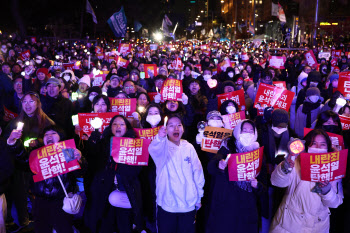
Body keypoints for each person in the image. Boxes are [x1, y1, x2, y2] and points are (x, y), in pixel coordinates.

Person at [8, 125, 83, 233]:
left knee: (64, 228)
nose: (49, 136)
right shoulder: (38, 153)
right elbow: (24, 159)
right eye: (46, 134)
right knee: (41, 229)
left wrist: (79, 159)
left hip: (61, 200)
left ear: (60, 136)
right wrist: (13, 142)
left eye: (53, 133)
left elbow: (79, 172)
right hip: (40, 201)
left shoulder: (67, 151)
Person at [270, 129, 343, 233]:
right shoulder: (296, 161)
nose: (318, 147)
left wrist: (327, 190)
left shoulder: (333, 168)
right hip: (289, 224)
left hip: (318, 226)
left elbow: (335, 203)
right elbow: (277, 182)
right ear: (307, 145)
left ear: (328, 148)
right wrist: (285, 168)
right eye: (314, 143)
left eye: (322, 144)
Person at [84, 115, 146, 233]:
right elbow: (93, 160)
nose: (118, 126)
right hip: (104, 189)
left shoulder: (135, 144)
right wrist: (94, 139)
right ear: (110, 128)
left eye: (122, 124)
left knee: (124, 224)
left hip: (125, 190)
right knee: (105, 224)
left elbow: (138, 170)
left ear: (127, 128)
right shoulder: (102, 143)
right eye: (115, 124)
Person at [148, 114, 204, 233]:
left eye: (179, 125)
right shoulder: (162, 147)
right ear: (166, 129)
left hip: (188, 205)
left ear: (183, 129)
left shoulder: (189, 147)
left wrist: (199, 197)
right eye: (171, 126)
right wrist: (159, 138)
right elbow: (154, 149)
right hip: (166, 205)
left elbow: (198, 173)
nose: (176, 128)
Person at [206, 120, 265, 233]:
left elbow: (263, 184)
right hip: (227, 203)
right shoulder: (227, 147)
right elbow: (211, 167)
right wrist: (220, 166)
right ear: (238, 131)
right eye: (244, 130)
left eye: (251, 131)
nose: (248, 134)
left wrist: (257, 186)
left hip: (247, 205)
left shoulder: (258, 153)